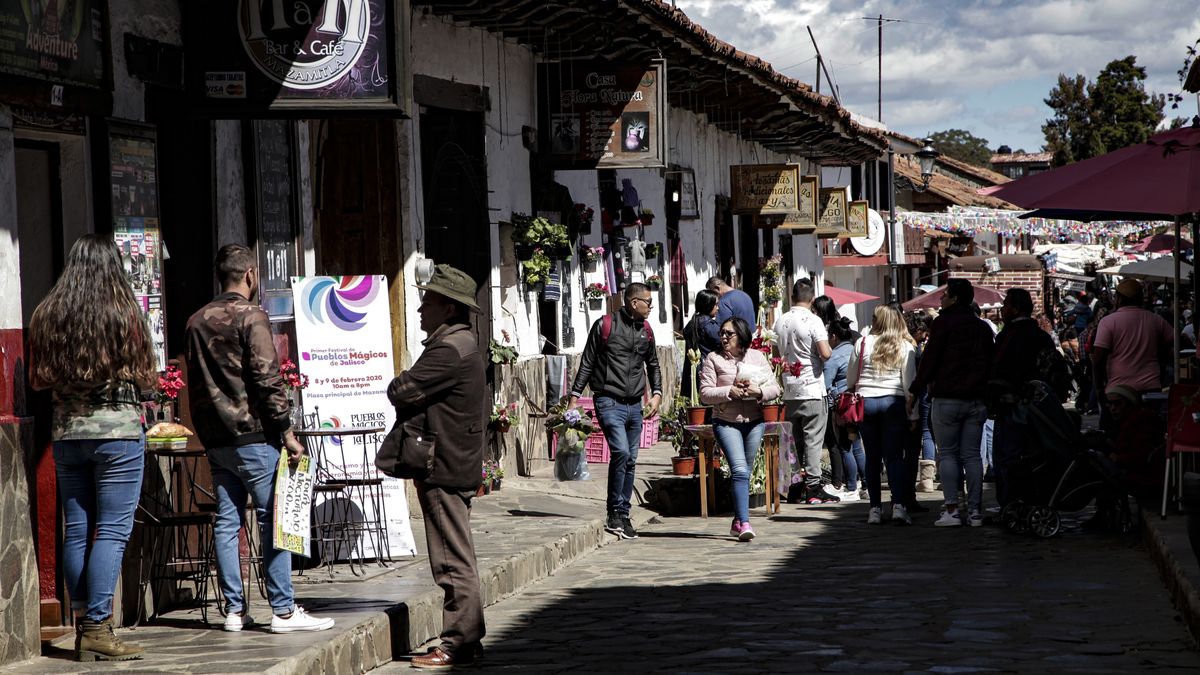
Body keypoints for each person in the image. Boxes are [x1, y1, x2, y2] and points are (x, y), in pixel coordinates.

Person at [186, 244, 334, 635]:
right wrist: (286, 431)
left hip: (217, 440)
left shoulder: (195, 321)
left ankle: (234, 610)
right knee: (274, 519)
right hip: (254, 436)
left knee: (227, 521)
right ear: (250, 275)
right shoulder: (252, 316)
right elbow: (268, 379)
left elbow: (195, 384)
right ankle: (283, 610)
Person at [29, 235, 157, 662]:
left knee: (78, 530)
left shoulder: (48, 315)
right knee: (113, 531)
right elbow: (145, 377)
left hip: (67, 436)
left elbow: (38, 378)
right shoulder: (124, 314)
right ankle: (98, 627)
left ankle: (85, 619)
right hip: (118, 435)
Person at [387, 264, 488, 669]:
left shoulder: (448, 350)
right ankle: (469, 637)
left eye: (428, 301)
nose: (420, 309)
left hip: (444, 464)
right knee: (458, 555)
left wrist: (403, 380)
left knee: (450, 559)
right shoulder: (461, 343)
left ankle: (457, 642)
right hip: (455, 459)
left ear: (448, 308)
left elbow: (402, 390)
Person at [570, 282, 663, 540]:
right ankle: (614, 511)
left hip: (635, 404)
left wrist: (656, 394)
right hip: (608, 401)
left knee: (631, 458)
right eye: (648, 302)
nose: (651, 307)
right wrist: (574, 397)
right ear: (634, 303)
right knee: (621, 452)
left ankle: (623, 514)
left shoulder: (646, 330)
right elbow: (587, 362)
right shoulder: (605, 326)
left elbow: (653, 364)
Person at [911, 278, 995, 528]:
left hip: (947, 397)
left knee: (947, 454)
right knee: (972, 456)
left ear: (955, 298)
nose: (941, 298)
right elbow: (990, 362)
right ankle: (976, 512)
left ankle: (952, 509)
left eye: (945, 294)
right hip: (976, 399)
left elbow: (930, 360)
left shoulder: (943, 323)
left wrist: (915, 390)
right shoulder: (981, 327)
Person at [700, 317, 781, 541]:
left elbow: (774, 387)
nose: (724, 337)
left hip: (754, 421)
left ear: (742, 335)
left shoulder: (756, 356)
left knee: (744, 472)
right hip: (726, 421)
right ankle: (745, 522)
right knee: (740, 470)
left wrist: (760, 392)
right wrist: (729, 391)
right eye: (722, 333)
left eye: (729, 334)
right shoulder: (713, 359)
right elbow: (705, 393)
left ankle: (738, 519)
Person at [847, 305, 918, 525]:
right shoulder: (905, 346)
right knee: (895, 457)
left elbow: (851, 379)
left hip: (866, 402)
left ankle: (874, 509)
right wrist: (913, 415)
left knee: (873, 458)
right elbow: (909, 385)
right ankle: (898, 506)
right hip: (893, 403)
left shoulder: (863, 342)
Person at [989, 288, 1056, 507]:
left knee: (1008, 457)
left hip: (1012, 406)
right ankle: (1031, 499)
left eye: (1006, 304)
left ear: (1016, 308)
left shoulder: (1008, 336)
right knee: (1033, 455)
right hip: (1039, 407)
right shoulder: (1041, 337)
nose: (1002, 308)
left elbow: (997, 369)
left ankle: (1010, 504)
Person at [773, 279, 836, 504]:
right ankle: (813, 487)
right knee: (813, 440)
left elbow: (774, 353)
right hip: (811, 386)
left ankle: (795, 486)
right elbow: (825, 353)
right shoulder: (813, 320)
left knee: (796, 441)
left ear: (792, 296)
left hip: (789, 388)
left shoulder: (780, 321)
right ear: (812, 298)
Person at [1092, 278, 1174, 431]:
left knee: (1115, 435)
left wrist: (1098, 388)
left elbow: (1098, 358)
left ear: (1119, 298)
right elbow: (1174, 342)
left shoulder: (1108, 321)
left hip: (1118, 390)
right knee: (1148, 434)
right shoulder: (1155, 319)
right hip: (1150, 388)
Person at [823, 317, 865, 502]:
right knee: (857, 447)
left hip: (842, 407)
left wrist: (832, 396)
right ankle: (866, 484)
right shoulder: (855, 349)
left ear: (833, 336)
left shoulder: (834, 356)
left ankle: (852, 486)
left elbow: (826, 383)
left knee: (845, 448)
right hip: (857, 405)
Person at [680, 289, 721, 402]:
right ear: (708, 305)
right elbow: (721, 345)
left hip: (692, 369)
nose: (718, 308)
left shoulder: (691, 323)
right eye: (716, 304)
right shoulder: (710, 326)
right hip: (708, 368)